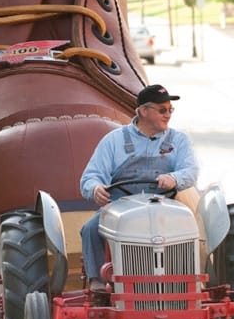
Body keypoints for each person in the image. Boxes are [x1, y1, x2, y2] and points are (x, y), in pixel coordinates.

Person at [79, 83, 200, 294]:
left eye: (170, 109)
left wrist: (174, 178)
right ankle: (98, 281)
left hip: (164, 204)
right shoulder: (114, 140)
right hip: (119, 206)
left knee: (190, 226)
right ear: (143, 111)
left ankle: (189, 279)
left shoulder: (179, 140)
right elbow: (90, 177)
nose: (168, 115)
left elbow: (190, 170)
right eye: (162, 110)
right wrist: (95, 188)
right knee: (90, 228)